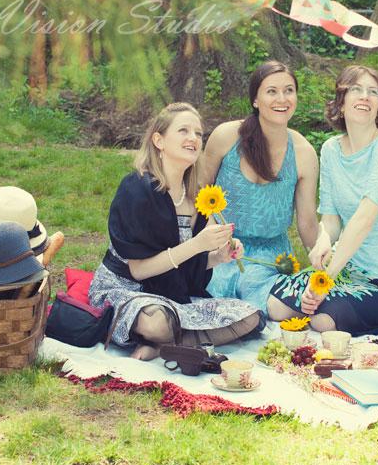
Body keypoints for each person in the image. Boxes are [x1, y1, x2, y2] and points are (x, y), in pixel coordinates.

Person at [87, 102, 262, 361]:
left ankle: (163, 347)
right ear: (159, 140)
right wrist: (197, 245)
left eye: (199, 133)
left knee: (252, 317)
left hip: (171, 295)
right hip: (128, 290)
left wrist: (218, 257)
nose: (193, 138)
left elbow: (187, 266)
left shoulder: (196, 198)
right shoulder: (136, 189)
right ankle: (170, 337)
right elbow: (139, 270)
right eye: (183, 131)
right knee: (158, 322)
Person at [267, 65, 378, 335]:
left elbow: (363, 219)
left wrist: (326, 280)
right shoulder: (331, 150)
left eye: (373, 92)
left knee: (323, 320)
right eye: (356, 89)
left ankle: (344, 305)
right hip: (347, 272)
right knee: (277, 306)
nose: (365, 96)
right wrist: (324, 241)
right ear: (341, 102)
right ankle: (328, 297)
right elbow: (331, 218)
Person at [202, 61, 320, 312]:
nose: (282, 98)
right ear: (255, 99)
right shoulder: (226, 136)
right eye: (271, 91)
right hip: (219, 247)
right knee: (207, 304)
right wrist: (208, 232)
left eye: (289, 90)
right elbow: (197, 192)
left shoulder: (303, 153)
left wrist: (326, 267)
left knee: (279, 310)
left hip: (270, 257)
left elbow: (308, 223)